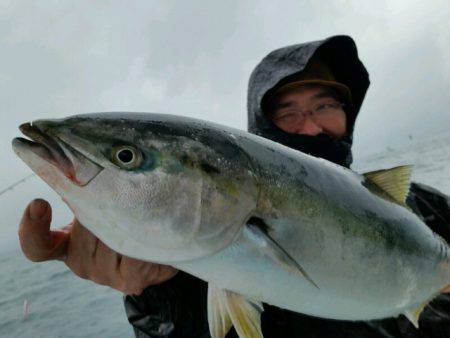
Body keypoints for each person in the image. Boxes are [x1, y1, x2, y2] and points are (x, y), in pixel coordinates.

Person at [18, 35, 450, 337]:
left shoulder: (426, 209)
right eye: (289, 112)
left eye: (325, 104)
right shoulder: (186, 270)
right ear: (261, 125)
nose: (311, 123)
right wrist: (157, 297)